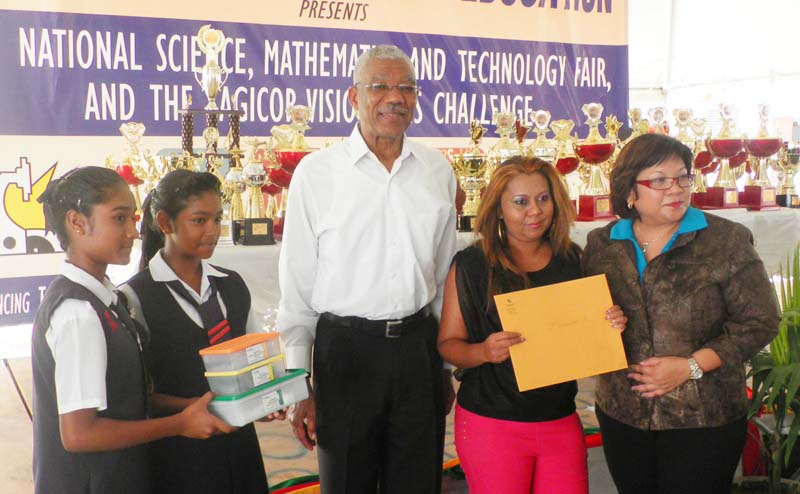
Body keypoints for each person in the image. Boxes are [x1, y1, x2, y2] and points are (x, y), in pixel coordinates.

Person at [277, 44, 457, 494]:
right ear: (353, 97)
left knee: (418, 484)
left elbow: (440, 281)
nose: (394, 98)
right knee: (346, 484)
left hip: (418, 352)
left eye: (406, 88)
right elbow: (297, 289)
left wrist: (443, 368)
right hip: (345, 354)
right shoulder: (316, 174)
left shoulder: (437, 171)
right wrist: (301, 384)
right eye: (378, 87)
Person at [582, 133, 780, 494]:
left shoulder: (726, 240)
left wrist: (689, 366)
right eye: (659, 180)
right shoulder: (602, 244)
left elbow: (760, 321)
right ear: (629, 191)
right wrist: (603, 320)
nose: (676, 189)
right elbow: (584, 314)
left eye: (683, 177)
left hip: (704, 418)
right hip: (622, 412)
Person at [32, 166, 233, 494]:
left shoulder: (106, 299)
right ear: (77, 222)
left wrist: (191, 405)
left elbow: (125, 399)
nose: (133, 232)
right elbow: (79, 433)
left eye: (133, 218)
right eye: (119, 218)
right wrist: (180, 424)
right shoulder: (77, 312)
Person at [437, 156, 627, 494]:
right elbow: (449, 345)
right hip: (492, 423)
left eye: (543, 198)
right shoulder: (472, 264)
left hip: (560, 418)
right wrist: (483, 351)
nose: (535, 211)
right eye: (520, 202)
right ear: (497, 208)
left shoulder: (573, 259)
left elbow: (589, 331)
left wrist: (611, 321)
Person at [120, 169, 270, 494]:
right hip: (179, 450)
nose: (213, 231)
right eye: (199, 220)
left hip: (238, 443)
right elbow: (134, 394)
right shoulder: (135, 297)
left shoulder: (231, 285)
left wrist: (266, 395)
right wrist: (191, 408)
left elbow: (251, 357)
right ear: (164, 223)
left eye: (217, 219)